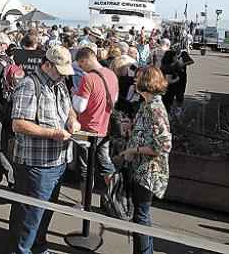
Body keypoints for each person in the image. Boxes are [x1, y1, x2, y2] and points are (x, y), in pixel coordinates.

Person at [9, 46, 80, 254]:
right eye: (59, 70)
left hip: (56, 161)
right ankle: (22, 250)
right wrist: (53, 133)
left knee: (43, 212)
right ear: (47, 65)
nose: (62, 75)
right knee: (29, 215)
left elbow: (69, 109)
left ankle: (38, 246)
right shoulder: (29, 85)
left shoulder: (59, 84)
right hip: (36, 163)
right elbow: (19, 124)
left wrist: (72, 121)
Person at [119, 66, 172, 254]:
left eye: (138, 77)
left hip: (148, 171)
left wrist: (134, 149)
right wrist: (130, 128)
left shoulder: (155, 108)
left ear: (146, 82)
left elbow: (164, 145)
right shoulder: (145, 105)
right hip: (140, 169)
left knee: (141, 216)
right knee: (140, 215)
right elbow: (146, 134)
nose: (134, 80)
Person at [72, 47, 119, 204]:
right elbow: (114, 99)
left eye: (80, 64)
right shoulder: (111, 74)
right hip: (104, 128)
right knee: (106, 164)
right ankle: (117, 199)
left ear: (85, 60)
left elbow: (80, 107)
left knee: (86, 168)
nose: (80, 68)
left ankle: (85, 204)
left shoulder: (88, 78)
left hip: (86, 129)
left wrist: (74, 94)